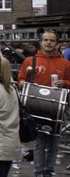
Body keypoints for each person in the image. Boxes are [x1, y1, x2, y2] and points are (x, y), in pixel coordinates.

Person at [16, 30, 70, 177]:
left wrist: (65, 82)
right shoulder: (30, 61)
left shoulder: (65, 63)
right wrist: (21, 83)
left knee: (54, 141)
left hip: (56, 108)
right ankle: (39, 171)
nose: (48, 43)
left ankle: (49, 170)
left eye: (52, 40)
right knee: (40, 141)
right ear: (41, 42)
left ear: (56, 43)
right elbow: (20, 79)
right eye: (46, 40)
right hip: (36, 107)